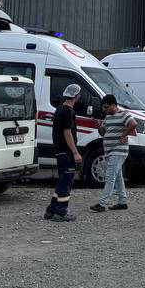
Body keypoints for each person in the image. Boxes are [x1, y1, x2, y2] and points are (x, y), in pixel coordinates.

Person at [90, 94, 137, 213]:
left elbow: (133, 123)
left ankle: (102, 203)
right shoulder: (108, 117)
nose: (104, 110)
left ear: (113, 105)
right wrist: (100, 126)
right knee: (118, 178)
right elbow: (103, 133)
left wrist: (123, 135)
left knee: (110, 177)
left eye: (106, 107)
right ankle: (122, 202)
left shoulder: (124, 114)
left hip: (118, 151)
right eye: (103, 107)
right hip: (110, 151)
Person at [44, 84, 83, 222]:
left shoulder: (59, 109)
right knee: (67, 181)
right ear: (76, 96)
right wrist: (75, 152)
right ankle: (61, 212)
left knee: (62, 180)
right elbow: (67, 133)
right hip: (66, 152)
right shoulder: (68, 112)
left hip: (59, 151)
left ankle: (51, 210)